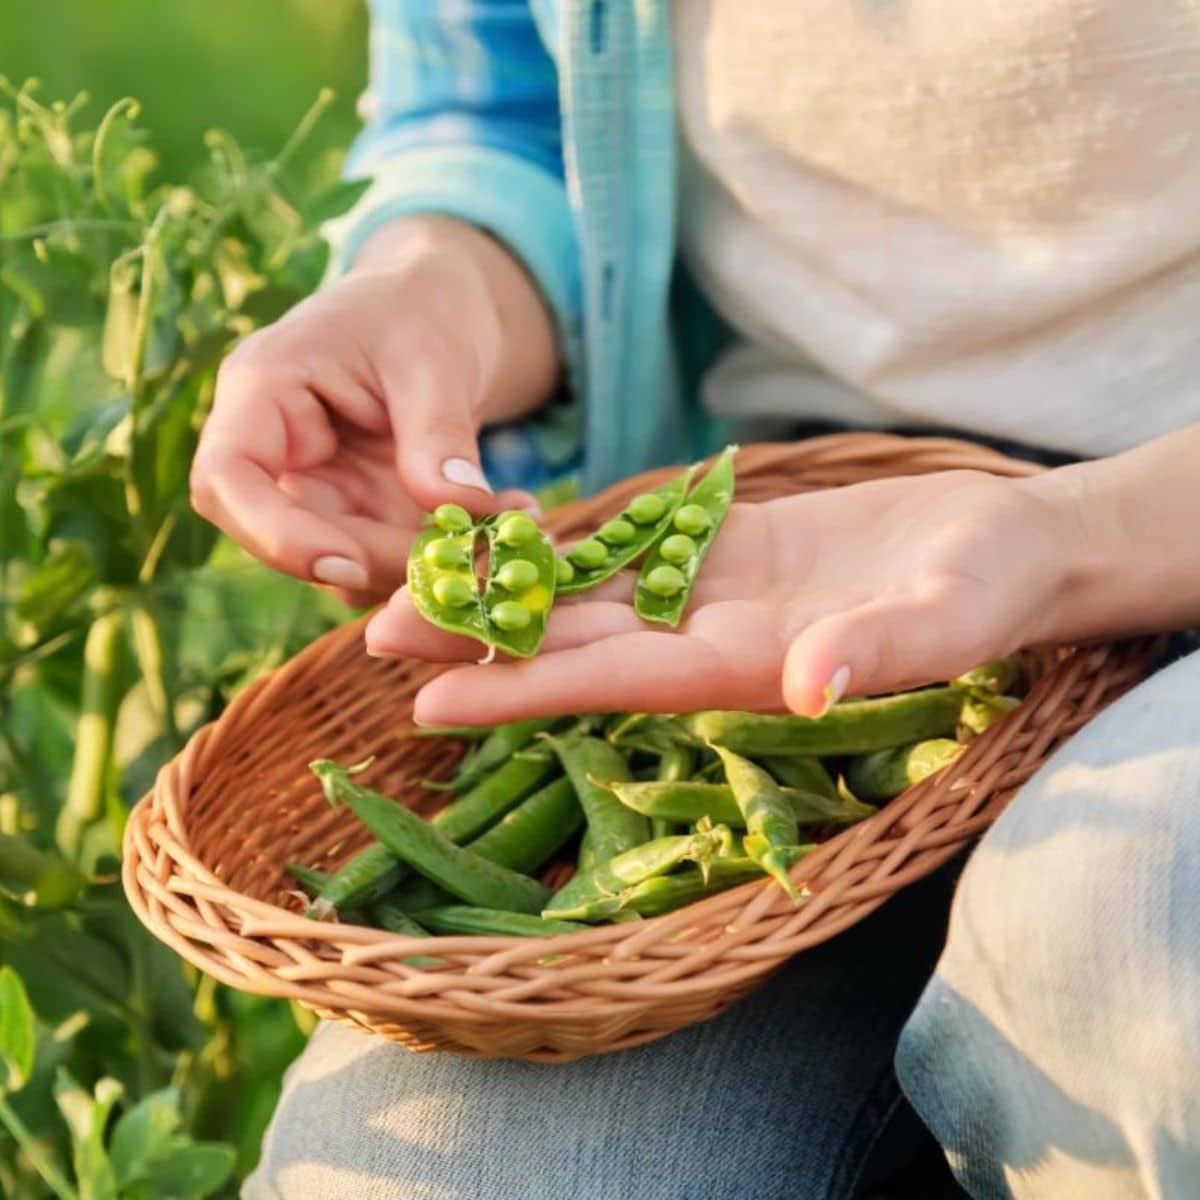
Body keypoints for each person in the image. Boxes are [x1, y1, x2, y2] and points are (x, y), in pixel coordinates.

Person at [190, 4, 1200, 1197]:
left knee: (1124, 938)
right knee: (433, 1174)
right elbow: (505, 106)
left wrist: (1085, 533)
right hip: (790, 534)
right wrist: (436, 289)